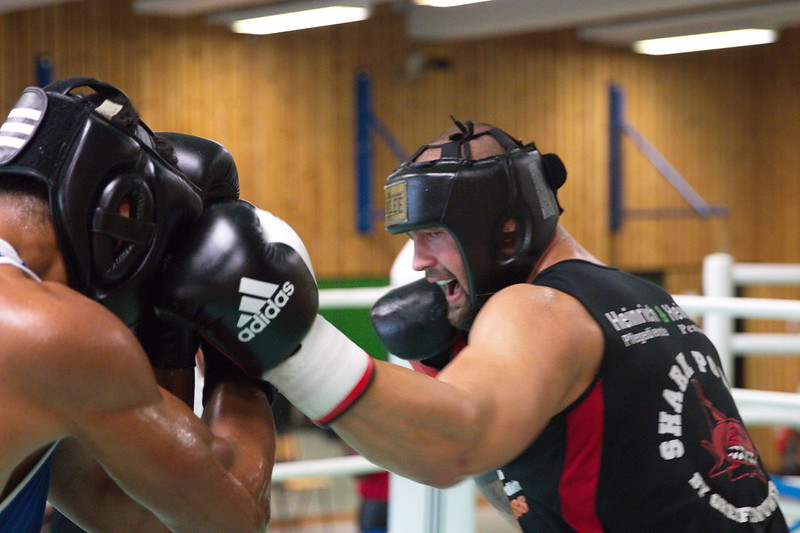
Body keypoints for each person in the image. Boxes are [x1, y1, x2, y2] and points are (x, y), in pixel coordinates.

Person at [159, 117, 789, 531]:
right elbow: (516, 489)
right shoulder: (641, 297)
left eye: (433, 235)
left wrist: (285, 342)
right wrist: (443, 368)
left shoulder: (537, 310)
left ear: (506, 231)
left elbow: (451, 448)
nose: (421, 262)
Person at [0, 77, 276, 532]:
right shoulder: (45, 331)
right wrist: (245, 351)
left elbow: (138, 517)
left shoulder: (40, 361)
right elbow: (231, 515)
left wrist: (168, 337)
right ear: (124, 213)